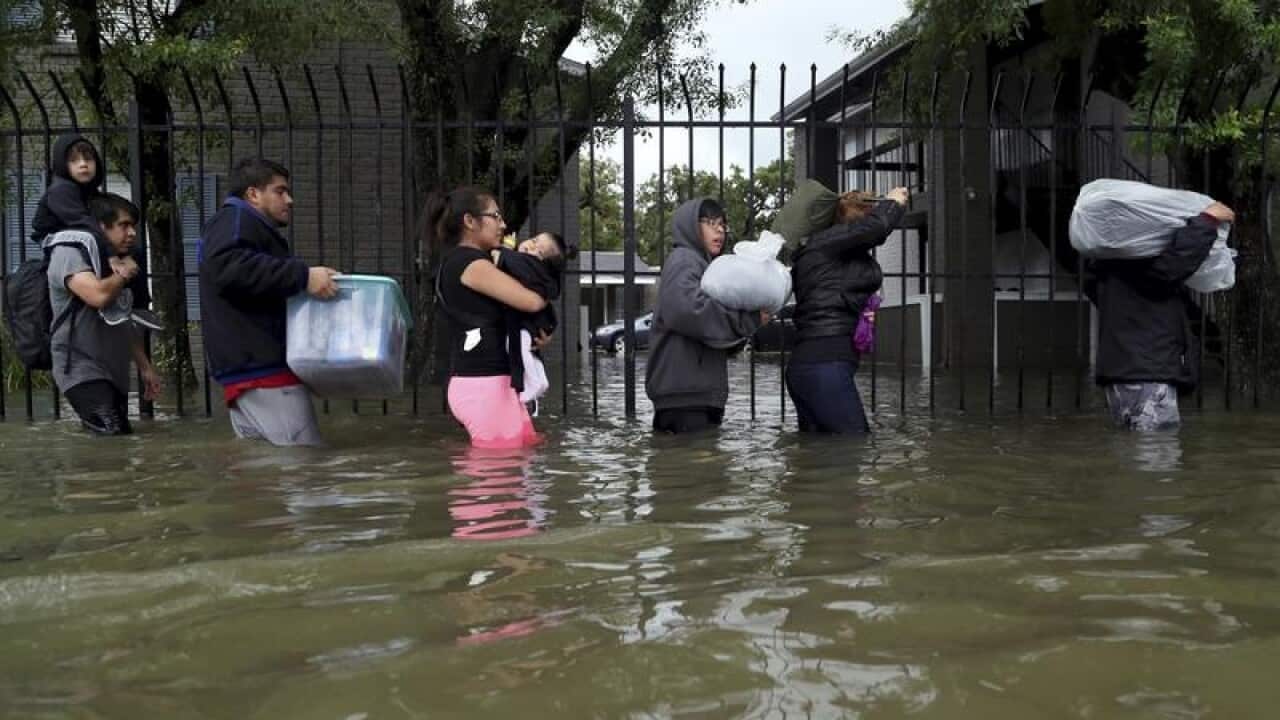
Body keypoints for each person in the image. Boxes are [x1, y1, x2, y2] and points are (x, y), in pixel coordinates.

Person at [198, 157, 340, 446]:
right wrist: (303, 276)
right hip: (262, 370)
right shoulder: (235, 220)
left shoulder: (239, 224)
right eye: (280, 191)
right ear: (253, 194)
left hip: (249, 370)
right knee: (304, 465)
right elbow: (227, 266)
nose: (290, 200)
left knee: (265, 474)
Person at [1089, 200, 1234, 430]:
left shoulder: (1111, 260)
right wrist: (1207, 221)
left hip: (1129, 371)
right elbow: (1171, 267)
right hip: (1145, 372)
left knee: (1136, 452)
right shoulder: (1135, 260)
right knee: (1157, 451)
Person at [431, 187, 549, 448]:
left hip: (490, 382)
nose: (503, 224)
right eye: (495, 216)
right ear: (470, 221)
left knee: (523, 456)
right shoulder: (470, 264)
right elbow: (531, 301)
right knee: (495, 474)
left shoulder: (465, 262)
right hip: (482, 385)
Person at [786, 186, 908, 434]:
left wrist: (860, 312)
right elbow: (877, 228)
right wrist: (893, 202)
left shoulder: (825, 252)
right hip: (824, 365)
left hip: (814, 365)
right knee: (852, 448)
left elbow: (833, 295)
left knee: (817, 458)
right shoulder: (827, 243)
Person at [44, 192, 162, 435]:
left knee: (115, 440)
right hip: (78, 366)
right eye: (124, 225)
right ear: (100, 227)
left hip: (113, 371)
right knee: (113, 433)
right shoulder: (69, 254)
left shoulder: (121, 261)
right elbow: (98, 296)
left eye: (134, 226)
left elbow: (124, 318)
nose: (132, 233)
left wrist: (145, 367)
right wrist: (121, 275)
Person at [645, 198, 765, 434]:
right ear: (692, 226)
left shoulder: (703, 266)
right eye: (711, 223)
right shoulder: (685, 260)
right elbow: (687, 311)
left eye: (722, 224)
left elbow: (711, 334)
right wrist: (745, 320)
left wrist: (746, 324)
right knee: (694, 468)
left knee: (696, 467)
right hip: (685, 395)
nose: (720, 229)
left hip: (692, 392)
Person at [492, 231, 577, 411]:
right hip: (536, 323)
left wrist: (504, 249)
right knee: (530, 352)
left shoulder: (525, 264)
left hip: (525, 323)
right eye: (534, 240)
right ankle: (540, 381)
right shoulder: (543, 274)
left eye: (538, 250)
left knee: (517, 347)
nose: (530, 245)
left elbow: (506, 260)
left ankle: (532, 384)